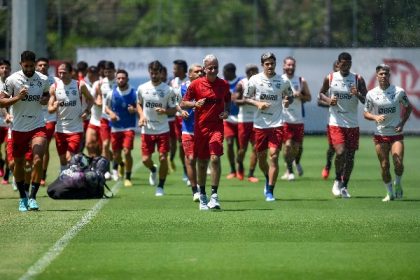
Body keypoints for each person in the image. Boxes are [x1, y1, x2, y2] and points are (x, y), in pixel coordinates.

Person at [0, 50, 50, 211]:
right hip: (18, 128)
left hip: (37, 126)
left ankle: (33, 197)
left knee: (37, 160)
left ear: (35, 64)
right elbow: (1, 102)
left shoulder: (43, 79)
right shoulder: (12, 80)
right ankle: (23, 197)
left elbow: (47, 95)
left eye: (31, 66)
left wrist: (45, 99)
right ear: (21, 64)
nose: (29, 69)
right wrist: (17, 98)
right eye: (26, 66)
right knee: (18, 164)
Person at [181, 54, 230, 210]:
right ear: (205, 69)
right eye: (210, 67)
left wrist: (226, 112)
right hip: (200, 129)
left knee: (215, 159)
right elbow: (183, 103)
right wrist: (195, 103)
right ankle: (202, 196)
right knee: (202, 164)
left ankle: (214, 196)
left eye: (216, 67)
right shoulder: (195, 85)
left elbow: (228, 101)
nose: (214, 70)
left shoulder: (223, 84)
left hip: (216, 127)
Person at [243, 52, 293, 202]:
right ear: (262, 65)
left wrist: (287, 101)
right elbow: (245, 98)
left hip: (277, 124)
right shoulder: (255, 80)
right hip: (260, 125)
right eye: (267, 64)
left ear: (275, 64)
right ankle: (267, 177)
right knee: (261, 159)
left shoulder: (283, 80)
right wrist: (258, 103)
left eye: (272, 63)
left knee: (274, 155)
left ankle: (270, 190)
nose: (270, 66)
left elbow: (289, 95)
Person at [318, 52, 367, 198]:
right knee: (340, 152)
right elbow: (321, 94)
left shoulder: (358, 79)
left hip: (352, 124)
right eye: (342, 63)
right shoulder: (331, 77)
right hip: (336, 122)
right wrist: (328, 100)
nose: (345, 65)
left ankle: (344, 185)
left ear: (351, 64)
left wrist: (357, 93)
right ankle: (337, 179)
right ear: (338, 64)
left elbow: (366, 100)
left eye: (348, 63)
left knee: (350, 157)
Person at [363, 64, 412, 201]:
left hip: (396, 134)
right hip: (380, 135)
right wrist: (375, 117)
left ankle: (398, 183)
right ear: (377, 76)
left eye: (386, 73)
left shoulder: (399, 91)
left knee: (398, 162)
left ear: (389, 75)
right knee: (385, 165)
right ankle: (389, 192)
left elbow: (408, 108)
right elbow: (366, 113)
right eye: (381, 74)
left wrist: (402, 123)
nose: (383, 76)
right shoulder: (371, 94)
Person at [137, 60, 178, 196]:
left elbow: (174, 110)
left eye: (156, 73)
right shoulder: (142, 88)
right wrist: (142, 116)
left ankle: (160, 186)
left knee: (163, 158)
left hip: (162, 129)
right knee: (145, 160)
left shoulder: (168, 90)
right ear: (149, 72)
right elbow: (138, 104)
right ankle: (153, 169)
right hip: (147, 129)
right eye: (152, 73)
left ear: (161, 73)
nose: (154, 76)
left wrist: (165, 111)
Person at [48, 62, 93, 170]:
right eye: (60, 73)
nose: (62, 75)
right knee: (63, 159)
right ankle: (65, 177)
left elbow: (91, 99)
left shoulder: (79, 85)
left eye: (64, 73)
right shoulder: (54, 87)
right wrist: (54, 107)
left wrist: (87, 111)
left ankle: (73, 176)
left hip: (76, 129)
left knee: (69, 157)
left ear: (71, 72)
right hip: (60, 129)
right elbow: (50, 109)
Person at [280, 56, 312, 181]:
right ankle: (290, 170)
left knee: (297, 147)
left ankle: (296, 162)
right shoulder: (279, 80)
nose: (290, 67)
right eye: (288, 65)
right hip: (284, 119)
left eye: (292, 65)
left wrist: (301, 96)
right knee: (287, 145)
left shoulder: (301, 80)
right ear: (283, 66)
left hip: (298, 119)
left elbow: (309, 97)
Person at [105, 69, 137, 187]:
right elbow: (106, 108)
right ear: (116, 79)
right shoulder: (111, 93)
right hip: (115, 128)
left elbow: (139, 109)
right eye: (118, 78)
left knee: (127, 151)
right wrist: (111, 113)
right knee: (116, 156)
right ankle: (121, 165)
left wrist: (133, 110)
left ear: (127, 79)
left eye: (123, 78)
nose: (121, 80)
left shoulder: (134, 93)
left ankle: (128, 177)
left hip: (129, 126)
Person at [180, 63, 203, 202]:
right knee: (190, 158)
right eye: (196, 72)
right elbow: (176, 103)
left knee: (203, 161)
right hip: (188, 129)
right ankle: (195, 191)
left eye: (201, 71)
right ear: (190, 74)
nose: (200, 74)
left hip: (204, 130)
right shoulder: (182, 87)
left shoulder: (207, 86)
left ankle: (203, 188)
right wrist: (181, 111)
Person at [234, 64, 259, 183]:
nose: (254, 74)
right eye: (252, 72)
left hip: (257, 120)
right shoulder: (241, 84)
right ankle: (239, 164)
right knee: (242, 149)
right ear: (248, 73)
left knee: (256, 148)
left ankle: (251, 174)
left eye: (256, 72)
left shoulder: (261, 83)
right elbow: (235, 101)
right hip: (244, 120)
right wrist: (247, 101)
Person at [35, 57, 57, 186]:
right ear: (36, 66)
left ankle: (42, 175)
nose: (42, 67)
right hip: (35, 117)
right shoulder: (32, 80)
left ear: (48, 66)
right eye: (40, 65)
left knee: (44, 146)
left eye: (45, 65)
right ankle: (35, 171)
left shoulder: (54, 81)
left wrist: (48, 99)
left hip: (49, 117)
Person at [318, 60, 339, 180]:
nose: (339, 68)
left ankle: (340, 174)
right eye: (336, 66)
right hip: (332, 121)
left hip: (348, 121)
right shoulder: (329, 81)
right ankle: (328, 165)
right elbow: (319, 100)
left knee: (345, 150)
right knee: (332, 148)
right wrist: (329, 102)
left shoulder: (350, 81)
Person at [95, 61, 117, 179]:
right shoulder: (100, 83)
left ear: (114, 71)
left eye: (110, 71)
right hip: (104, 117)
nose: (107, 74)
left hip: (116, 119)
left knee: (115, 146)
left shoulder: (118, 82)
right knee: (105, 144)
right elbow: (98, 98)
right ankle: (106, 170)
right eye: (106, 72)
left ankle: (116, 167)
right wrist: (97, 102)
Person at [169, 59, 188, 178]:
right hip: (178, 118)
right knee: (181, 145)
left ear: (181, 70)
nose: (173, 71)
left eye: (175, 68)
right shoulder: (173, 82)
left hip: (190, 116)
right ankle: (186, 170)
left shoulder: (189, 81)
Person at [222, 63, 242, 179]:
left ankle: (240, 168)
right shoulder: (223, 83)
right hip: (228, 119)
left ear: (231, 72)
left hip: (240, 119)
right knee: (229, 144)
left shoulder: (240, 82)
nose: (223, 75)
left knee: (240, 146)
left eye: (224, 72)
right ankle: (232, 170)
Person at [0, 58, 11, 184]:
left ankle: (7, 173)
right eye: (2, 68)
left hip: (10, 120)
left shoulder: (13, 82)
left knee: (8, 148)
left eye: (6, 68)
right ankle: (1, 164)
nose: (4, 70)